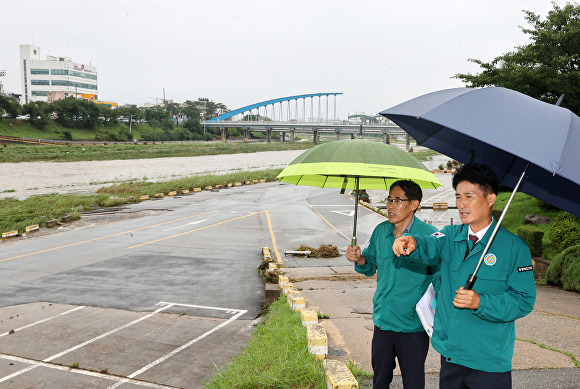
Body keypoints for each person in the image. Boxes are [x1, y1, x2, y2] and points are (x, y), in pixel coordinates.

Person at [392, 163, 536, 389]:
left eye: (469, 196)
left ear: (490, 199)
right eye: (458, 197)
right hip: (450, 356)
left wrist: (481, 302)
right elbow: (430, 245)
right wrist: (413, 242)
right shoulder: (450, 235)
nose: (461, 204)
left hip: (488, 362)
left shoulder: (514, 248)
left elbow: (524, 301)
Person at [346, 179, 438, 389]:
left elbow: (440, 278)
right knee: (379, 381)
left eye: (398, 200)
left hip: (413, 326)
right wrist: (359, 258)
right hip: (383, 323)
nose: (390, 206)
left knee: (413, 383)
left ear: (414, 204)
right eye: (389, 200)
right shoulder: (380, 231)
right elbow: (369, 267)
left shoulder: (429, 236)